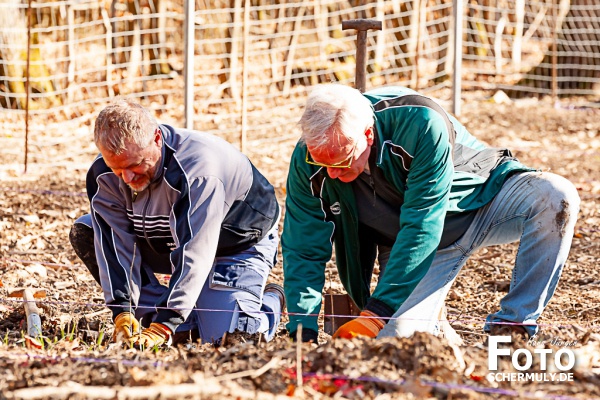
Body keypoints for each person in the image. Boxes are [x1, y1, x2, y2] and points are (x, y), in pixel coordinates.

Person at [282, 83, 579, 343]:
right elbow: (303, 249)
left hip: (482, 204)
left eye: (343, 161)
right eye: (322, 163)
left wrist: (376, 313)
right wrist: (301, 331)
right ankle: (439, 335)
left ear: (368, 134)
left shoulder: (419, 121)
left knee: (555, 197)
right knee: (393, 343)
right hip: (412, 246)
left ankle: (512, 328)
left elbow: (423, 222)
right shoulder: (307, 161)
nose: (332, 174)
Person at [69, 100, 285, 349]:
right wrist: (123, 310)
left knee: (228, 340)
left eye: (136, 165)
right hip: (168, 239)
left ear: (157, 139)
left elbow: (195, 252)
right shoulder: (102, 174)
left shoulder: (198, 171)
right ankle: (182, 319)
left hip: (235, 244)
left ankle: (271, 301)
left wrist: (164, 324)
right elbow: (115, 243)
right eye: (117, 168)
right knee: (88, 231)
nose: (127, 178)